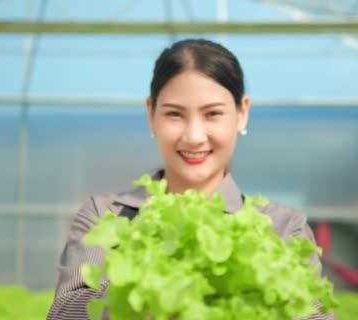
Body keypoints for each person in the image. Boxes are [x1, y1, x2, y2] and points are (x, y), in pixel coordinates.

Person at [47, 38, 335, 320]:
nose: (194, 137)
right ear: (151, 114)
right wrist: (149, 295)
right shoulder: (105, 217)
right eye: (175, 114)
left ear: (241, 113)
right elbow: (65, 313)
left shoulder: (284, 230)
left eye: (212, 114)